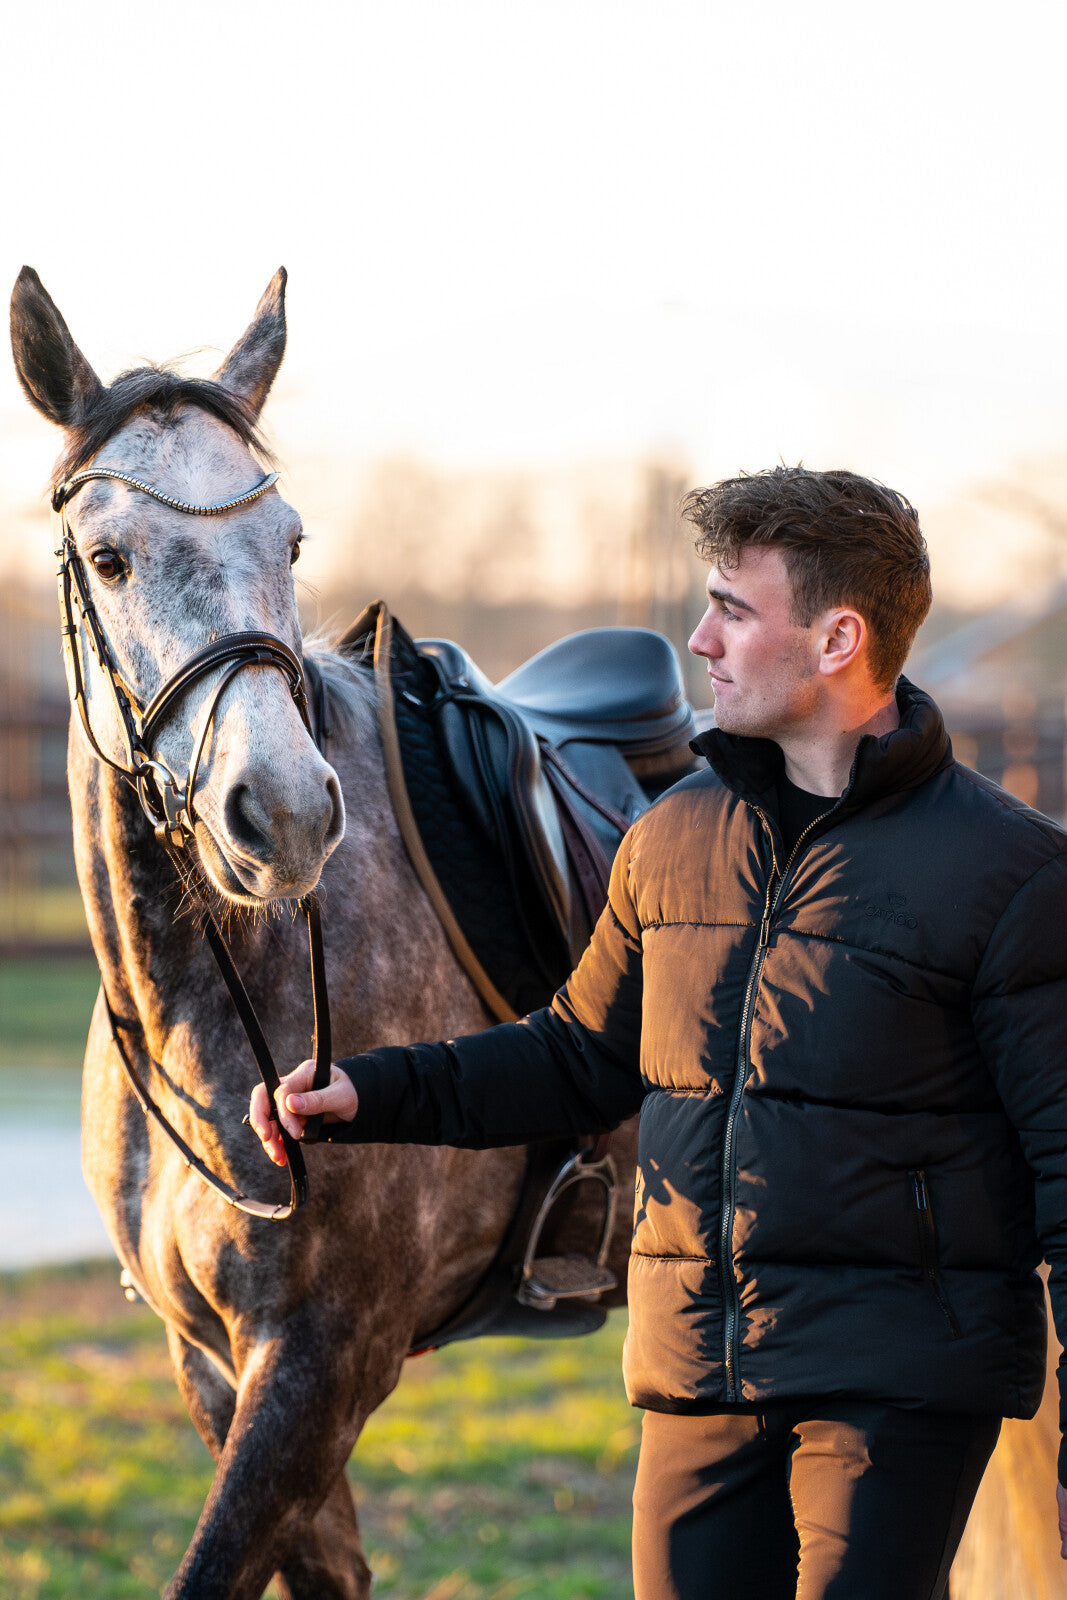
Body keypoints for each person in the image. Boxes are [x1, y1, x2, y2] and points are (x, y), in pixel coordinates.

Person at [250, 465, 1067, 1600]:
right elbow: (577, 1055)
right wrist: (373, 1094)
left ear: (837, 638)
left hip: (896, 1384)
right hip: (700, 1365)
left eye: (734, 607)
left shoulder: (1011, 874)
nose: (699, 638)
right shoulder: (671, 837)